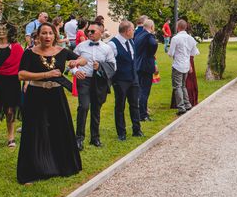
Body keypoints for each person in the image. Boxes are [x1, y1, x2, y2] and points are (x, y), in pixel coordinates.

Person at [17, 22, 87, 184]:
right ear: (38, 36)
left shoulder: (62, 51)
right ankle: (32, 170)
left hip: (56, 95)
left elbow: (83, 59)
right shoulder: (29, 53)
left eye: (50, 33)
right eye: (44, 33)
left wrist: (76, 63)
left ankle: (62, 166)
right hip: (36, 95)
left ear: (55, 35)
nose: (47, 36)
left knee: (59, 128)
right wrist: (46, 74)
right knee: (34, 131)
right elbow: (21, 75)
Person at [73, 22, 116, 150]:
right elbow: (72, 63)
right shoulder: (80, 47)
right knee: (84, 107)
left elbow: (113, 66)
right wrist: (76, 71)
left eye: (93, 31)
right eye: (88, 31)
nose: (90, 33)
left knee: (96, 109)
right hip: (84, 80)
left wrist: (100, 67)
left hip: (99, 81)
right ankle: (79, 139)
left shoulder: (107, 48)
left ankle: (95, 138)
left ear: (101, 33)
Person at [0, 24, 24, 148]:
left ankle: (11, 136)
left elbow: (23, 66)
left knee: (10, 110)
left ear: (10, 32)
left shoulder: (17, 48)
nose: (1, 31)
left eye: (4, 29)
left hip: (12, 82)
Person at [108, 20, 143, 140]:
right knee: (120, 106)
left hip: (133, 78)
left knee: (134, 104)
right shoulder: (112, 44)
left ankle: (137, 129)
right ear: (127, 31)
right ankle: (121, 133)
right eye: (133, 29)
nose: (134, 31)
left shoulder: (131, 42)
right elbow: (109, 63)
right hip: (120, 79)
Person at [168, 20, 198, 116]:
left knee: (177, 87)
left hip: (177, 65)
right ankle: (187, 104)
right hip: (186, 64)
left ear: (178, 27)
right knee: (183, 85)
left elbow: (170, 53)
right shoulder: (191, 38)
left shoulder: (175, 38)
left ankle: (181, 107)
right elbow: (194, 53)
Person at [135, 19, 159, 122]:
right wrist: (151, 54)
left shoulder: (138, 35)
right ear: (152, 27)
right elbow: (154, 44)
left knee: (140, 89)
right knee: (145, 90)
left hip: (138, 64)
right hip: (146, 65)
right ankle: (143, 114)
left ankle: (140, 111)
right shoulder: (149, 36)